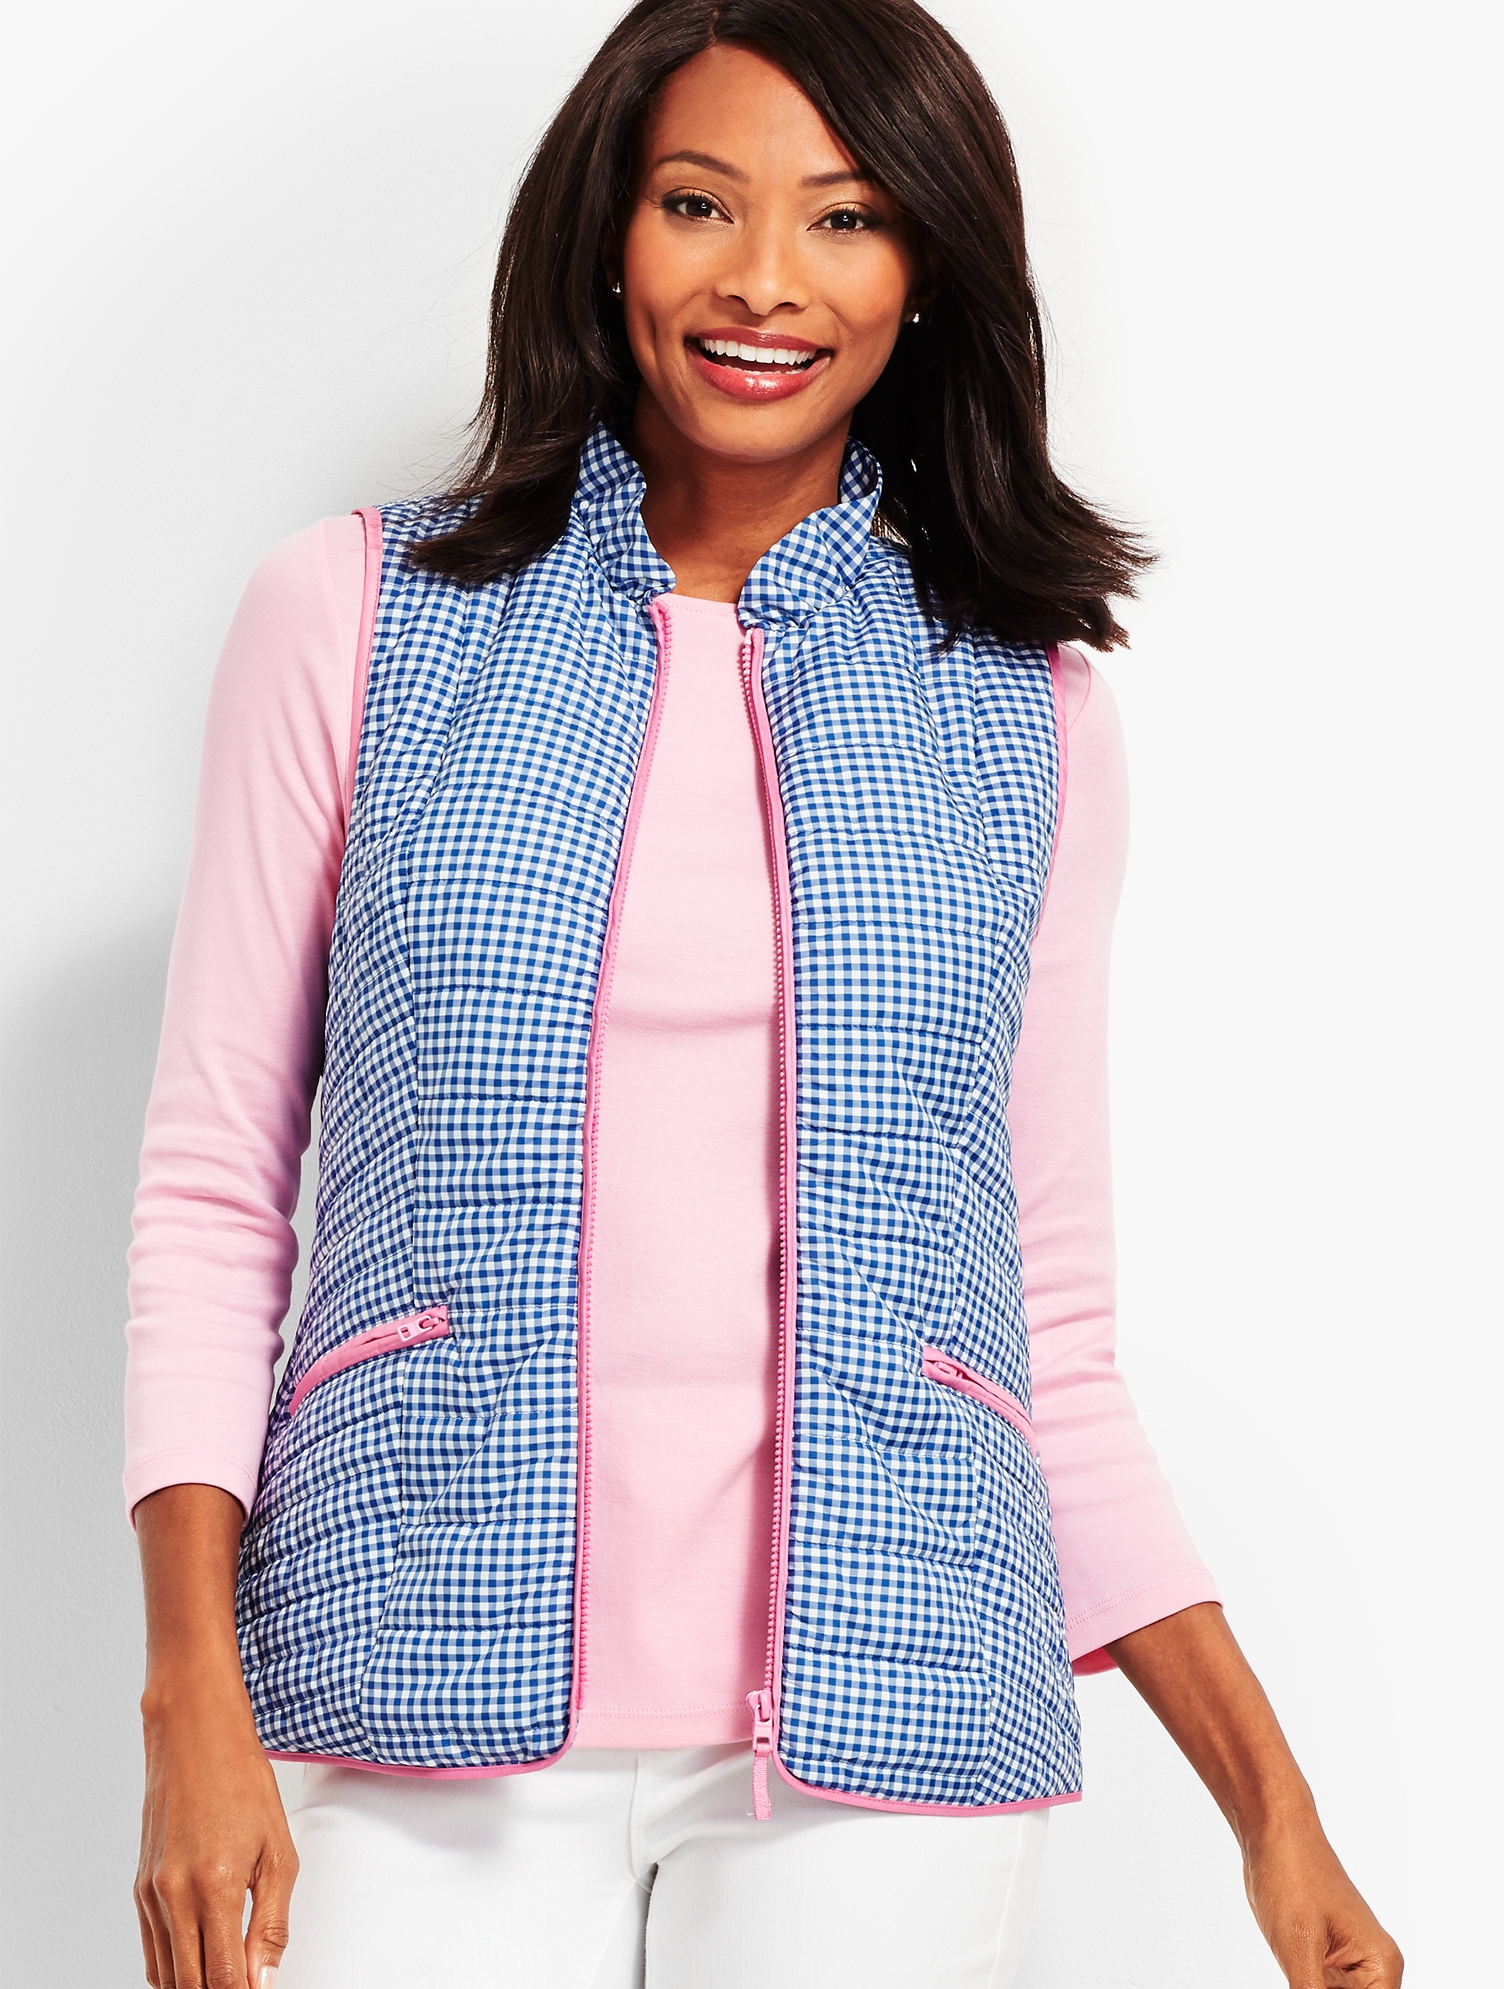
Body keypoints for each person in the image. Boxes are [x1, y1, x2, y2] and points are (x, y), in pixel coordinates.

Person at [124, 3, 1403, 1985]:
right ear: (605, 236)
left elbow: (1047, 1334)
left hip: (893, 1723)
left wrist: (1271, 1808)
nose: (763, 281)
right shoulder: (357, 614)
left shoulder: (1027, 713)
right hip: (402, 1668)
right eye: (698, 204)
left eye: (846, 218)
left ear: (925, 275)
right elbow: (215, 1196)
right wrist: (186, 1695)